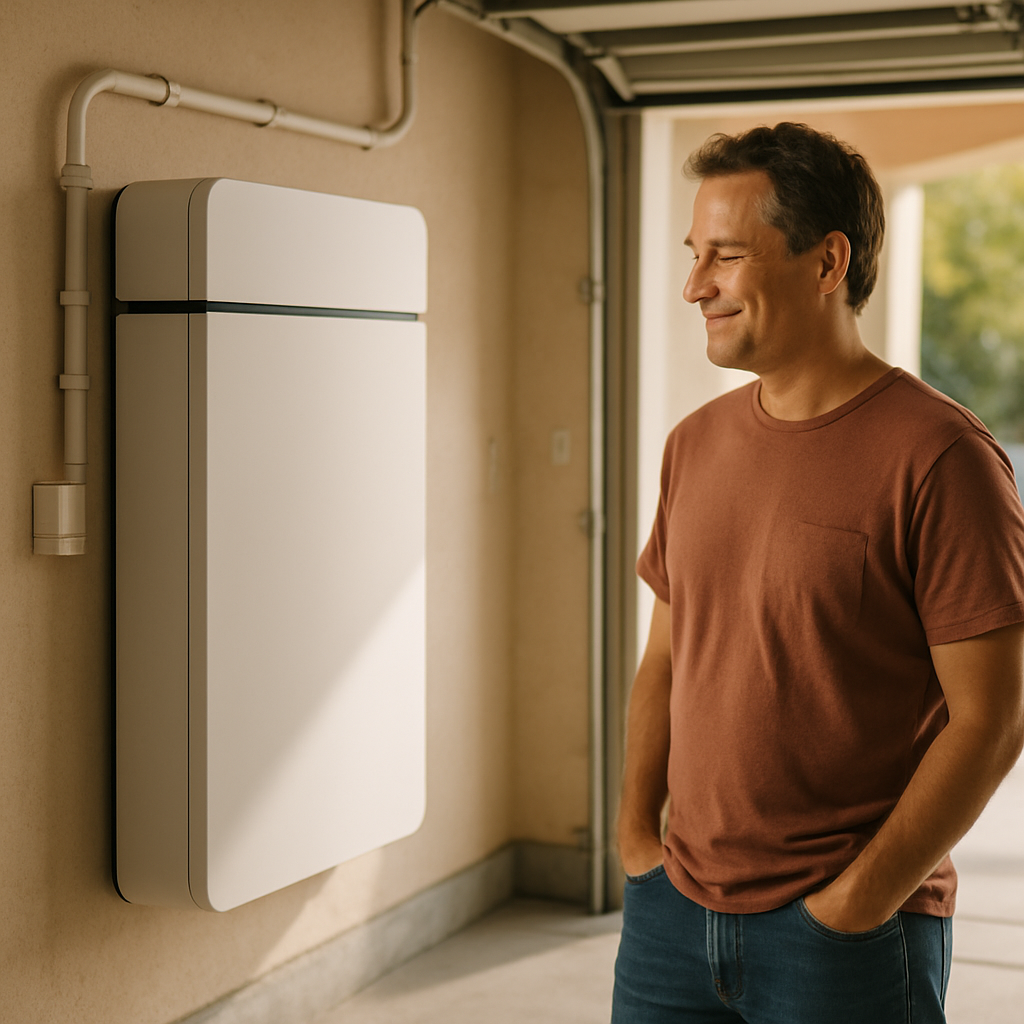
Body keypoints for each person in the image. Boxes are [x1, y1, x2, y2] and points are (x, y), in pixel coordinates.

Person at [611, 122, 1024, 1024]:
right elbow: (666, 662)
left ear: (828, 262)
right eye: (694, 255)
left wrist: (856, 904)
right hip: (671, 915)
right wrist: (637, 841)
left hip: (842, 936)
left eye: (724, 256)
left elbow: (993, 720)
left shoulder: (941, 457)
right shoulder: (694, 446)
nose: (694, 286)